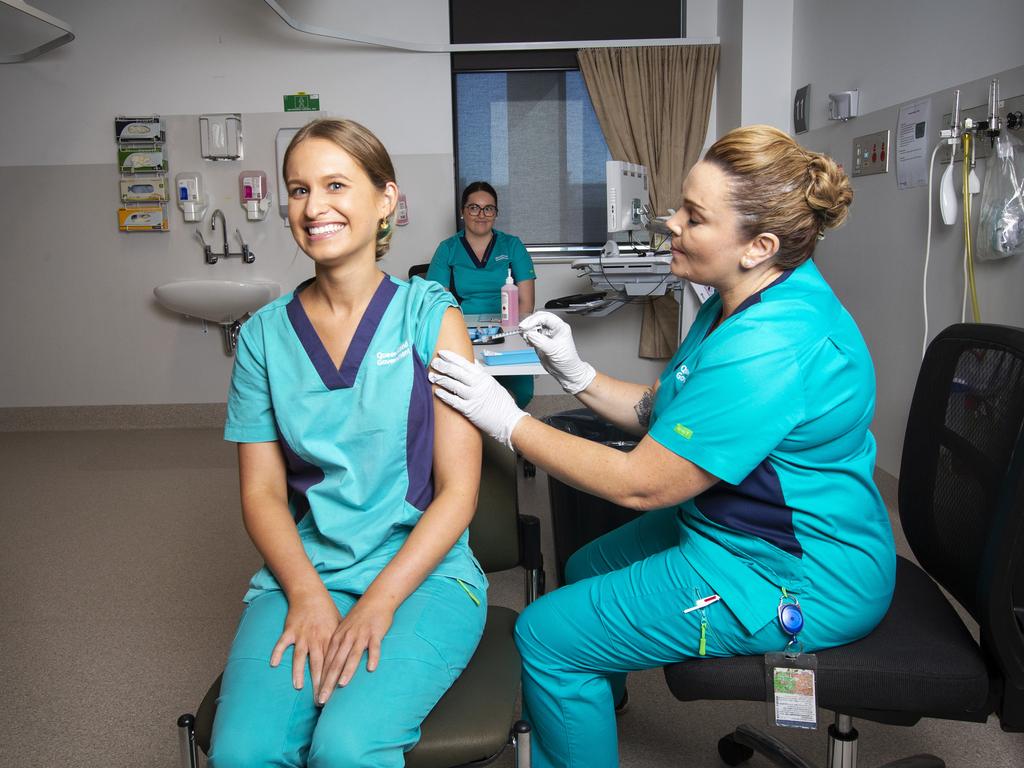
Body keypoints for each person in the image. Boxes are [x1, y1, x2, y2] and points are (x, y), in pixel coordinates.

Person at [428, 125, 897, 768]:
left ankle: (568, 672)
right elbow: (666, 410)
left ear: (758, 246)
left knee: (543, 636)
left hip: (790, 575)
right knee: (591, 567)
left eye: (694, 217)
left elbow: (641, 483)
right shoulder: (735, 299)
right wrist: (578, 374)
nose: (671, 224)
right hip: (728, 528)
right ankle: (587, 699)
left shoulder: (773, 345)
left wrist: (505, 420)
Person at [208, 118, 486, 768]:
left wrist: (380, 604)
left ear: (385, 198)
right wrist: (306, 595)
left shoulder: (430, 315)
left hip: (426, 575)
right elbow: (262, 491)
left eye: (336, 184)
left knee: (348, 746)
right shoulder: (263, 339)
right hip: (309, 571)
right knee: (243, 752)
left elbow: (461, 490)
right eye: (299, 189)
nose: (315, 205)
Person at [426, 181, 537, 407]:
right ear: (462, 212)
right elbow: (437, 304)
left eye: (489, 208)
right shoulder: (447, 249)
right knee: (459, 389)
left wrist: (513, 333)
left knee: (522, 392)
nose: (481, 214)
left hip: (508, 327)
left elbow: (526, 304)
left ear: (496, 213)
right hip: (462, 329)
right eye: (474, 207)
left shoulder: (512, 245)